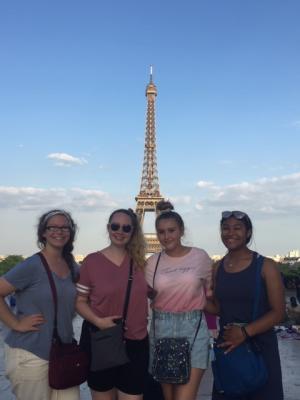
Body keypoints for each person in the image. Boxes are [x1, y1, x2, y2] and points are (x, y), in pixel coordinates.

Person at [0, 209, 80, 400]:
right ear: (43, 233)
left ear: (70, 232)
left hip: (63, 352)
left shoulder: (72, 267)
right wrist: (16, 323)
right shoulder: (32, 265)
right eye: (52, 227)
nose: (59, 231)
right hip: (30, 354)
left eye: (64, 227)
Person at [207, 210, 285, 400]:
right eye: (225, 228)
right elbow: (219, 308)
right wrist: (194, 299)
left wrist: (244, 332)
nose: (230, 233)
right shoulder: (217, 268)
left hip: (260, 349)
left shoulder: (266, 266)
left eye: (237, 228)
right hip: (229, 348)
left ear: (248, 232)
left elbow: (279, 313)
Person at [76, 208, 149, 400]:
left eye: (126, 228)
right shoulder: (91, 262)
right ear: (108, 228)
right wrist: (98, 321)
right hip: (103, 340)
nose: (120, 231)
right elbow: (80, 301)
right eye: (115, 226)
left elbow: (158, 293)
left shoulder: (141, 263)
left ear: (133, 232)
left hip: (136, 342)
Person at [145, 200, 212, 400]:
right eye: (161, 232)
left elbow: (211, 292)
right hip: (161, 328)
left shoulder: (201, 257)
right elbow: (145, 296)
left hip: (193, 328)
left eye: (171, 230)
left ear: (181, 230)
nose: (166, 236)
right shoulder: (151, 263)